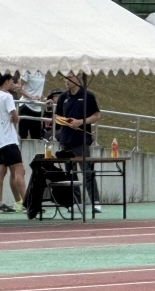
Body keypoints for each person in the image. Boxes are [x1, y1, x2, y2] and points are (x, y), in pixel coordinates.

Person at [54, 73, 101, 212]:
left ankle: (95, 201)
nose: (66, 81)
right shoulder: (63, 97)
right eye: (65, 78)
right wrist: (66, 122)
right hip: (66, 139)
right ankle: (76, 202)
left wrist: (80, 122)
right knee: (70, 173)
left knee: (87, 171)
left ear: (78, 78)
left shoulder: (88, 96)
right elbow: (57, 116)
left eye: (69, 77)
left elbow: (97, 115)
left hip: (81, 141)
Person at [0, 71, 25, 214]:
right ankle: (26, 202)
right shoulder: (7, 97)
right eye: (11, 81)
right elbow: (15, 117)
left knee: (1, 172)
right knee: (19, 170)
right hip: (9, 139)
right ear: (7, 81)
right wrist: (16, 118)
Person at [16, 69, 48, 140]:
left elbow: (38, 90)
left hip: (37, 108)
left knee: (37, 137)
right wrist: (31, 97)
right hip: (25, 106)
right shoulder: (27, 71)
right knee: (22, 136)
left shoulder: (43, 72)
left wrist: (44, 98)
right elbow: (18, 88)